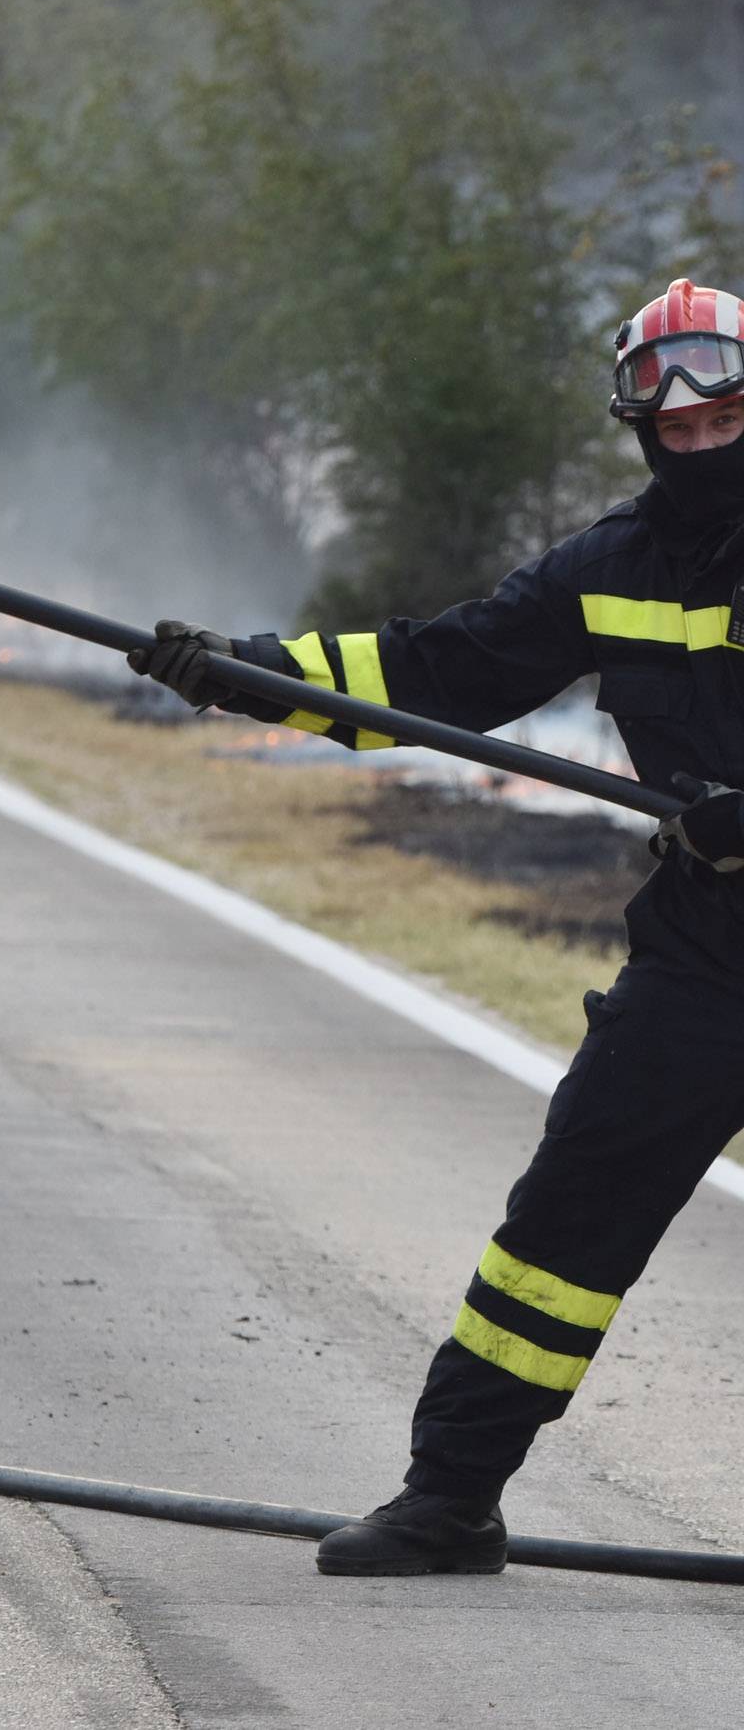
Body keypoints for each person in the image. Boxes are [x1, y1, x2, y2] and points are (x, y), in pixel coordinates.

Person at [128, 277, 744, 1578]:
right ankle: (452, 1497)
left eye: (723, 425)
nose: (697, 451)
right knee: (566, 1223)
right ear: (641, 433)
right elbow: (436, 673)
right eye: (672, 435)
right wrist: (249, 676)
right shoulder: (615, 566)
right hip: (709, 950)